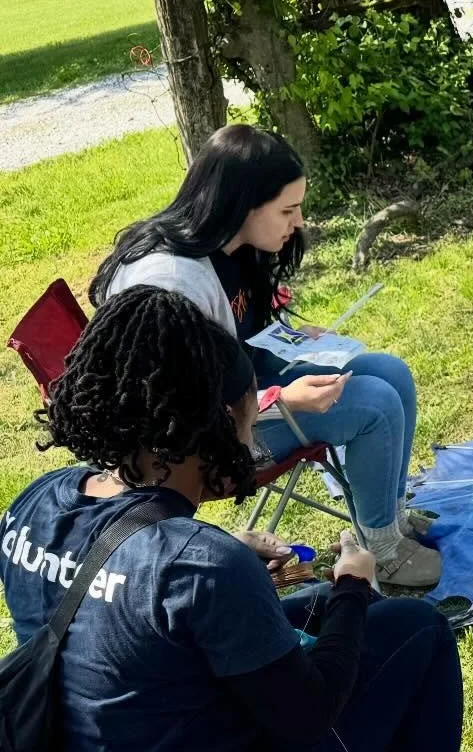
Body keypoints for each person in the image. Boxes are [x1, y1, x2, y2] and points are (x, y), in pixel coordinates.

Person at [2, 284, 473, 752]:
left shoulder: (38, 502)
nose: (251, 444)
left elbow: (112, 610)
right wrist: (355, 587)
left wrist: (234, 560)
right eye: (249, 422)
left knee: (324, 610)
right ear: (212, 424)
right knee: (412, 628)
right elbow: (309, 712)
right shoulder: (197, 562)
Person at [91, 125, 439, 589]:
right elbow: (176, 411)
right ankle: (385, 552)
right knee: (373, 404)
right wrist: (284, 401)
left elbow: (240, 337)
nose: (297, 224)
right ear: (242, 204)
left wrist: (293, 336)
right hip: (200, 444)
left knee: (389, 371)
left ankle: (386, 522)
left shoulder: (227, 246)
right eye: (288, 210)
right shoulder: (172, 285)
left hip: (246, 395)